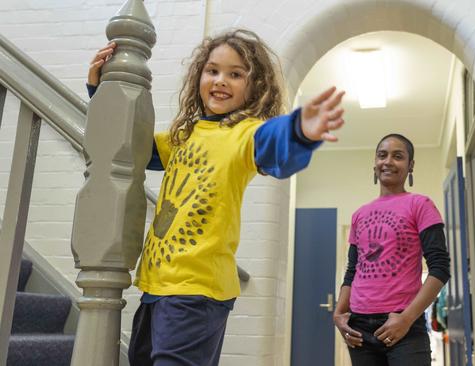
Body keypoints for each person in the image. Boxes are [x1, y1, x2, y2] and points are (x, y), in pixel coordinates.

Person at [87, 29, 345, 365]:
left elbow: (274, 142)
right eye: (213, 71)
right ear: (199, 76)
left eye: (236, 74)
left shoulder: (245, 134)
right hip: (156, 286)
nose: (221, 80)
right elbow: (126, 143)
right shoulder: (183, 136)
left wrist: (298, 131)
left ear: (255, 88)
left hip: (197, 291)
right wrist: (99, 90)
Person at [332, 134, 450, 365]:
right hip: (359, 329)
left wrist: (406, 319)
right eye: (382, 155)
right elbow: (352, 271)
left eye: (398, 156)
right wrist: (338, 314)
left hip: (403, 324)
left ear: (410, 165)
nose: (388, 161)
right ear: (375, 163)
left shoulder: (421, 205)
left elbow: (440, 268)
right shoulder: (359, 215)